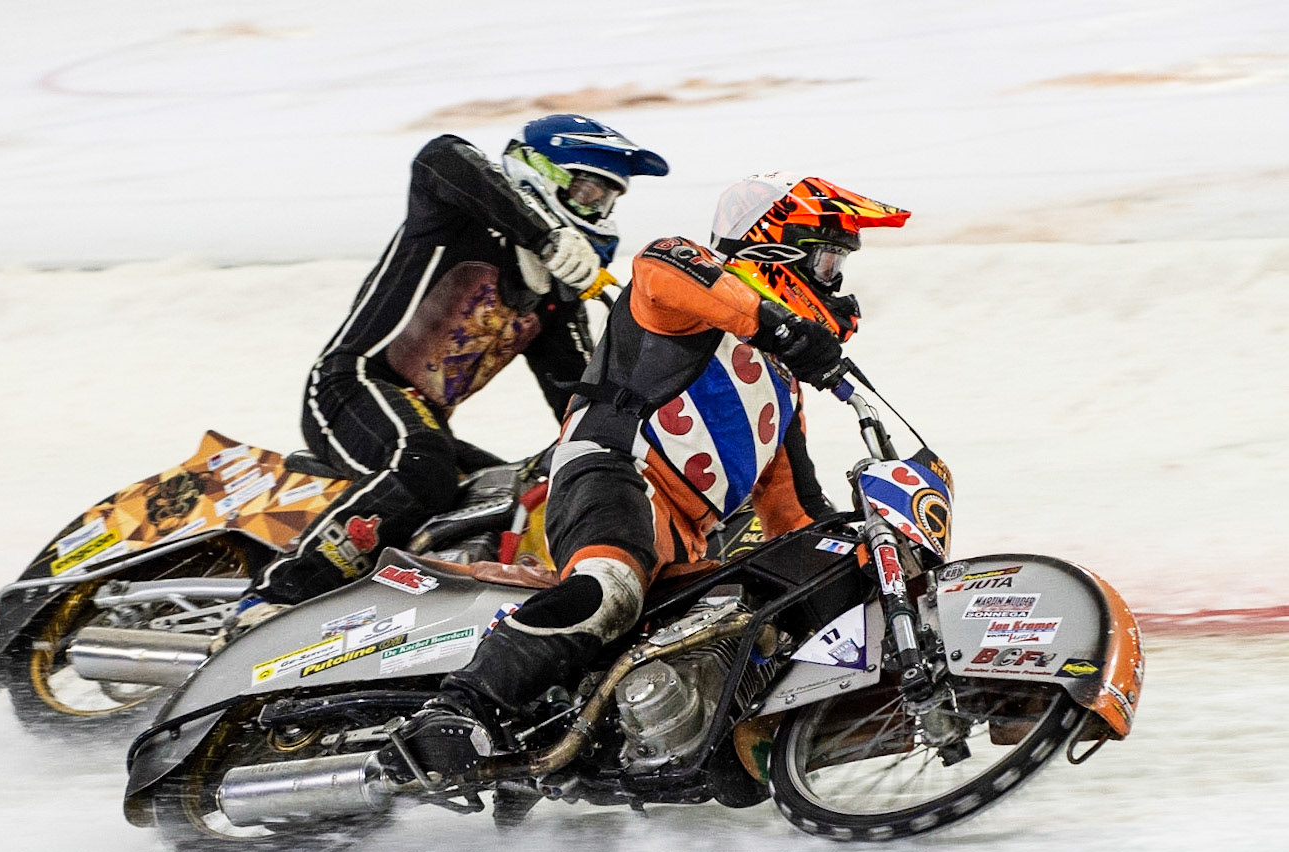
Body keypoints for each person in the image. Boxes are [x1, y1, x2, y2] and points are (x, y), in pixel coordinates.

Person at [388, 172, 911, 777]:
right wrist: (783, 328)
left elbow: (793, 518)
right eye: (826, 259)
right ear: (773, 248)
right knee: (612, 588)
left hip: (686, 536)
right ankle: (457, 708)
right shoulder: (686, 280)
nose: (836, 280)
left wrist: (866, 560)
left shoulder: (782, 391)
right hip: (614, 472)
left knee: (755, 613)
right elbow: (660, 268)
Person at [244, 116, 669, 611]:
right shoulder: (458, 219)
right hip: (350, 384)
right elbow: (439, 154)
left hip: (425, 422)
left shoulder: (555, 301)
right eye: (590, 190)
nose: (599, 209)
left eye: (608, 200)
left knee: (517, 490)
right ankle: (271, 598)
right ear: (540, 174)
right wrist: (547, 235)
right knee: (423, 465)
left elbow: (579, 405)